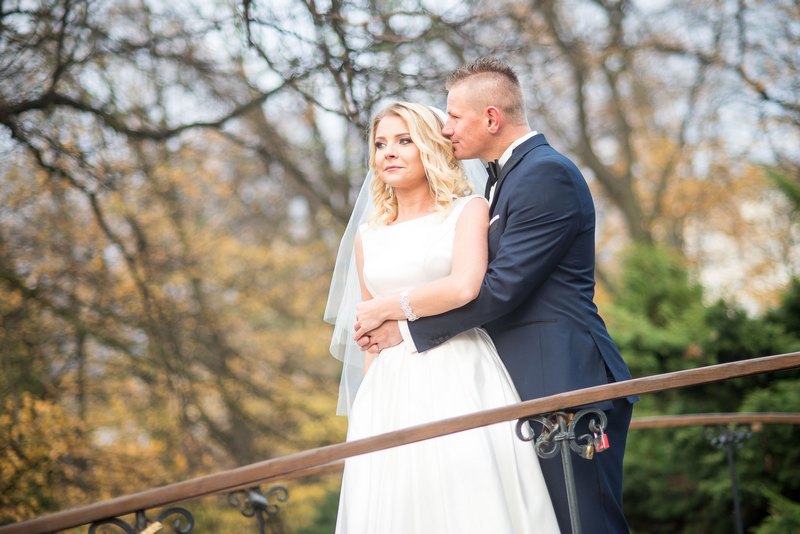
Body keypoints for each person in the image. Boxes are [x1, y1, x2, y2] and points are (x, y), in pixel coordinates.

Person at [356, 58, 638, 533]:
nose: (446, 129)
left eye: (453, 117)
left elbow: (500, 289)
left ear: (491, 118)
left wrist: (403, 327)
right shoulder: (504, 178)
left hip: (564, 379)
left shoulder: (544, 175)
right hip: (522, 380)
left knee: (586, 521)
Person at [325, 102, 559, 533]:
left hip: (459, 371)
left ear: (430, 146)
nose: (389, 152)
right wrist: (366, 408)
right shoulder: (367, 236)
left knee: (468, 490)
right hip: (388, 388)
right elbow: (371, 337)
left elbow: (464, 287)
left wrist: (387, 308)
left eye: (404, 140)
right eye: (380, 144)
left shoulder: (467, 210)